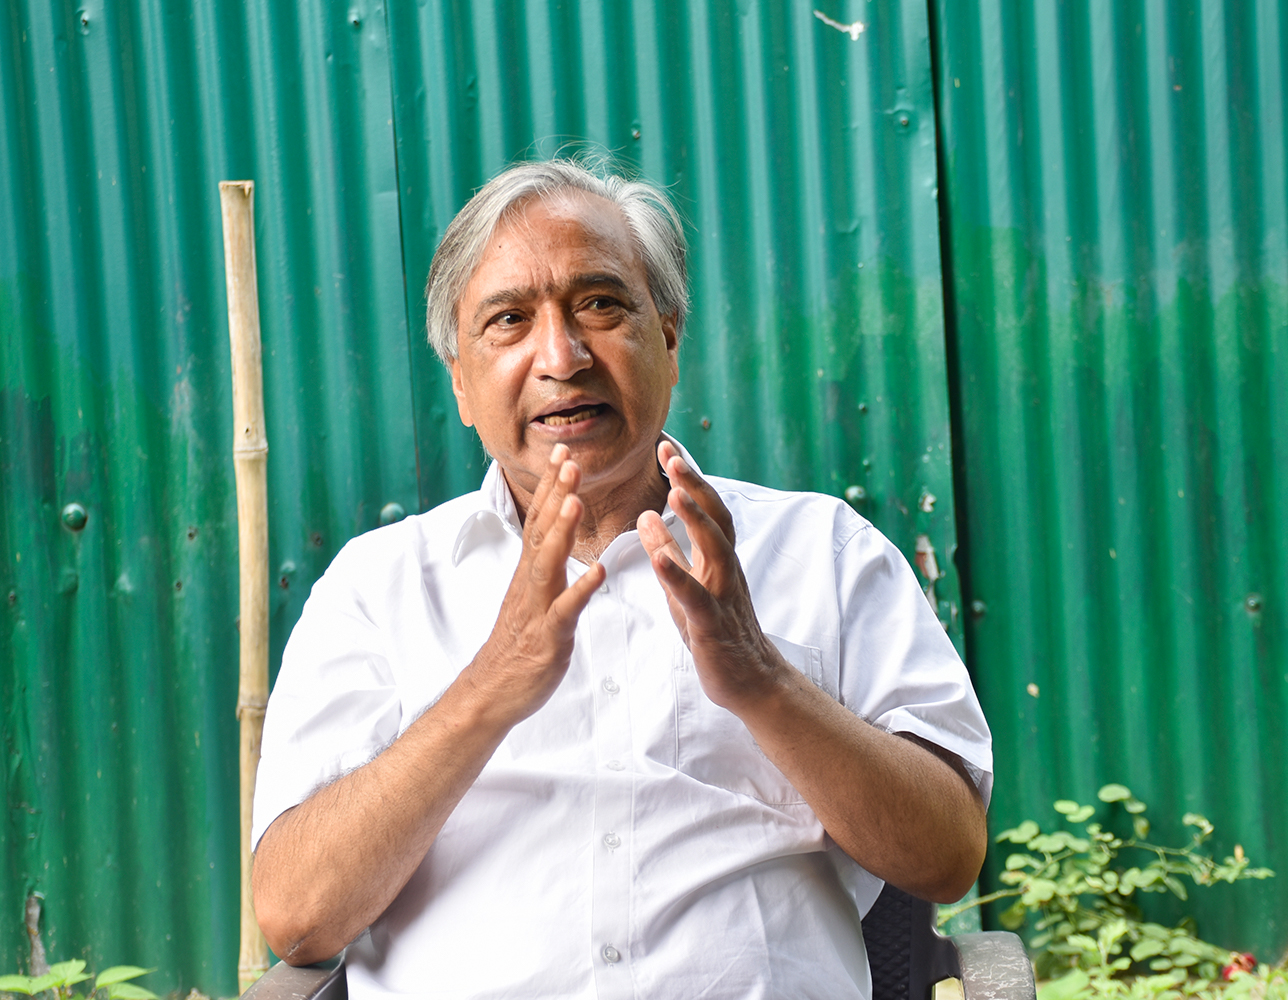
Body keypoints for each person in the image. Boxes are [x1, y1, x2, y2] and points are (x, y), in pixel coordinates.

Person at [250, 159, 993, 999]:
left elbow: (948, 856)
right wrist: (491, 685)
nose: (561, 357)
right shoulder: (376, 589)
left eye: (600, 305)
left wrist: (763, 681)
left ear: (669, 341)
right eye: (509, 320)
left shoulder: (824, 552)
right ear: (459, 380)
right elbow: (297, 915)